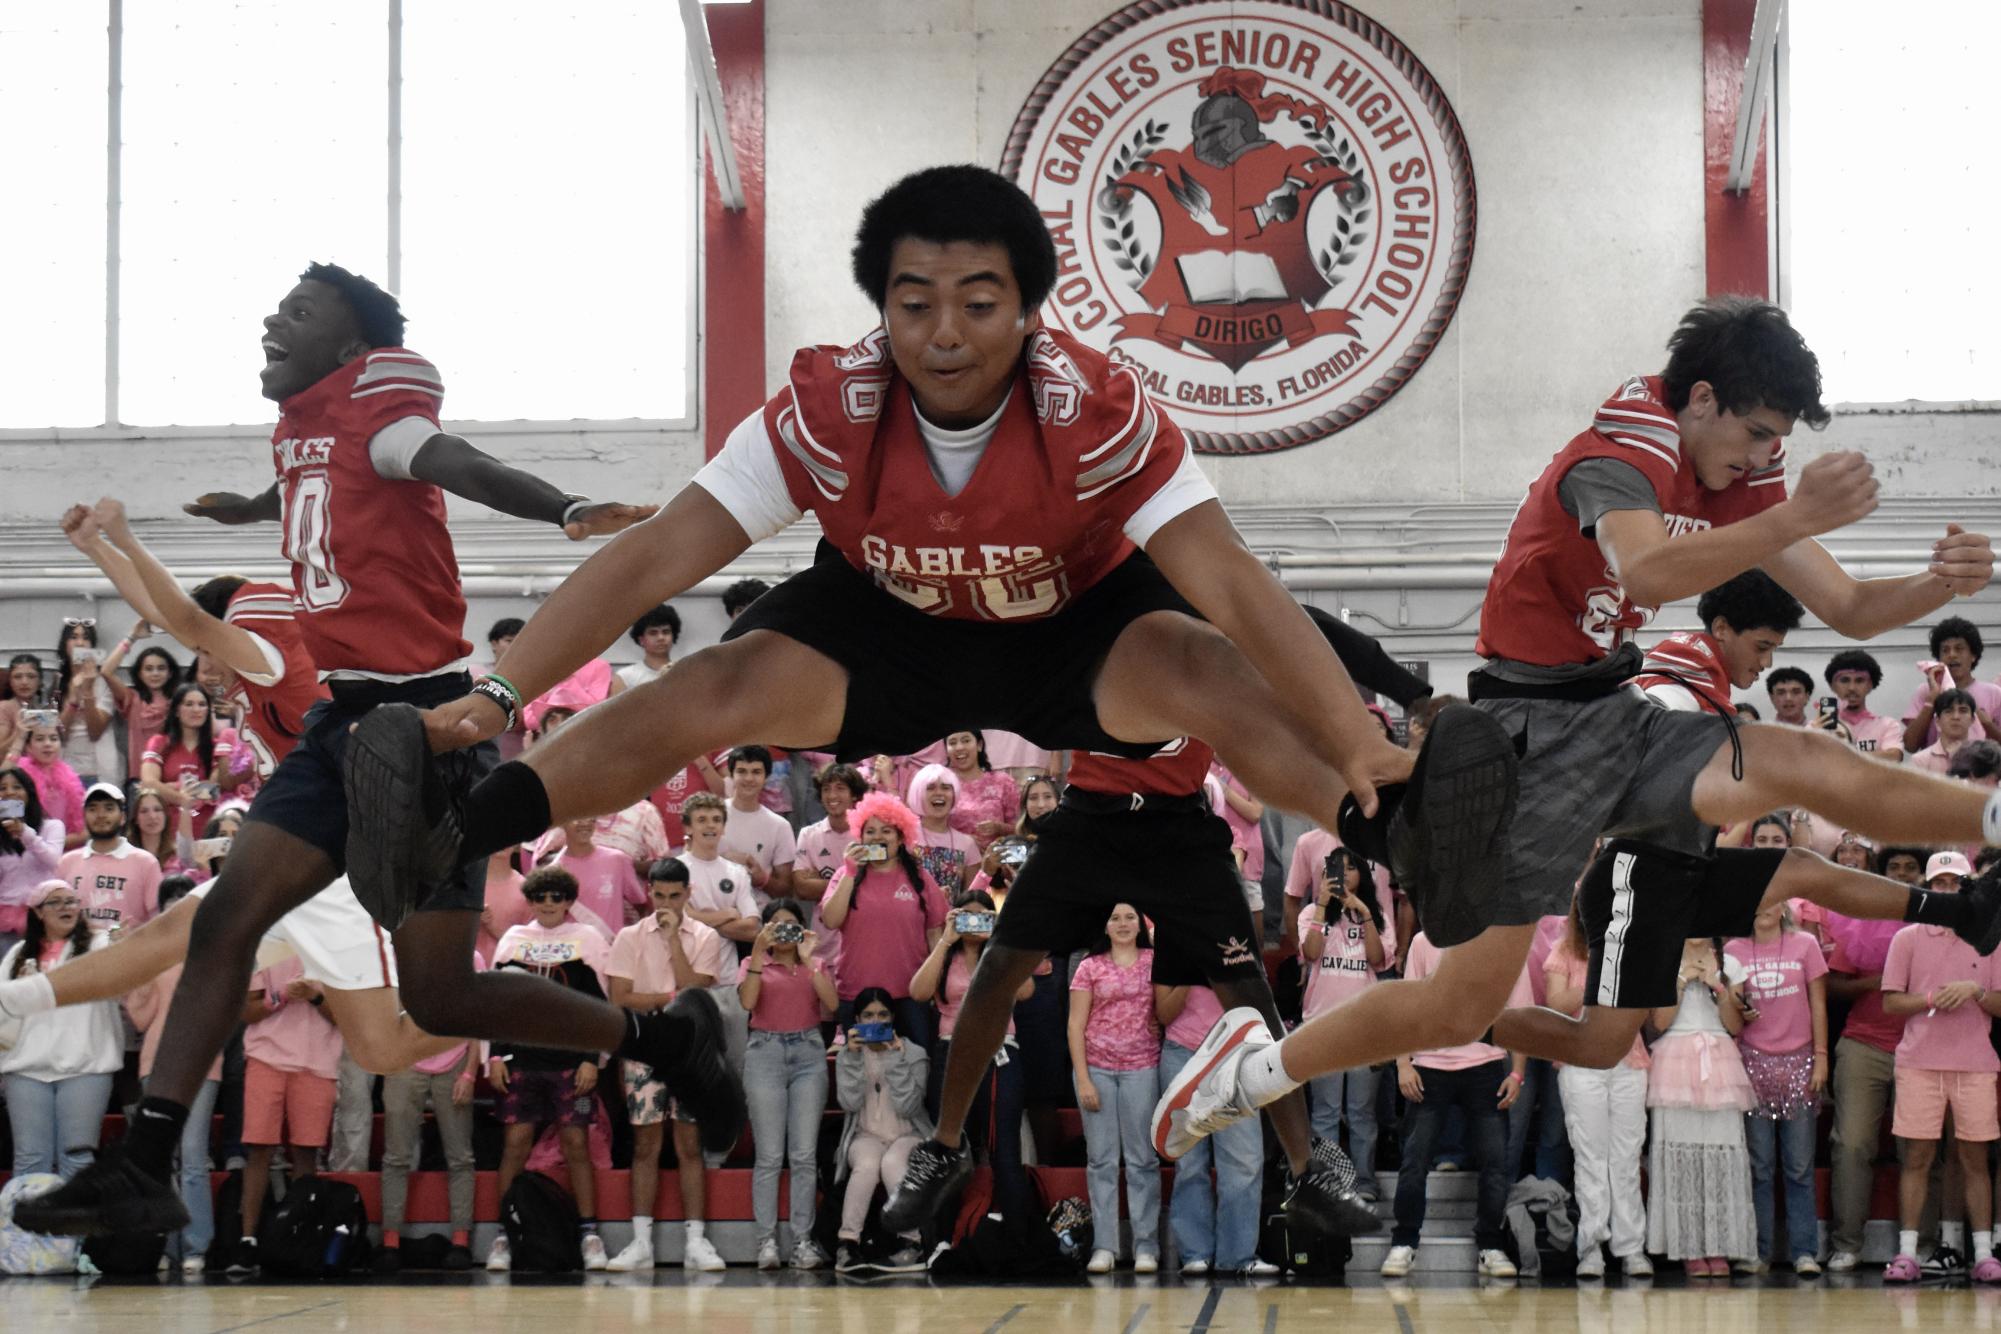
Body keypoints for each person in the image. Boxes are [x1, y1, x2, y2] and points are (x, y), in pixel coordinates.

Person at [342, 165, 1414, 1136]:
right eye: (914, 303)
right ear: (882, 308)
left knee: (1203, 662)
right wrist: (496, 691)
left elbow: (1234, 577)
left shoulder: (1098, 407)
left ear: (1030, 311)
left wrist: (1365, 746)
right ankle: (456, 828)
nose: (945, 331)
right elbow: (656, 554)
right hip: (887, 629)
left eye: (979, 303)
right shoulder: (822, 406)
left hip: (1070, 625)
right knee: (717, 679)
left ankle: (1392, 822)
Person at [1177, 299, 2001, 1165]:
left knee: (1794, 756)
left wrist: (1937, 584)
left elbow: (1852, 608)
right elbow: (1645, 564)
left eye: (1775, 441)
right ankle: (1259, 1068)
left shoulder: (1737, 474)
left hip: (1616, 709)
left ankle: (1986, 820)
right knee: (1454, 1012)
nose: (1765, 456)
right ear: (1702, 400)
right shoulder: (1615, 455)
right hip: (1523, 733)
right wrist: (1794, 516)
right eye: (1755, 433)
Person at [17, 263, 739, 1245]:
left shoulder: (385, 415)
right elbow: (301, 488)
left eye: (301, 311)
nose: (275, 318)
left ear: (354, 346)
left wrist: (566, 509)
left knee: (439, 995)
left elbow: (459, 462)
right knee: (227, 913)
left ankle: (660, 1034)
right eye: (276, 305)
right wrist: (242, 510)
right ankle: (145, 1160)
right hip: (342, 721)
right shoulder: (305, 429)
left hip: (428, 729)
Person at [886, 603, 1436, 1242]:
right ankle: (946, 1147)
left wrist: (1412, 693)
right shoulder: (1081, 608)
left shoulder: (1206, 609)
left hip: (1178, 827)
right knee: (997, 966)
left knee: (1252, 999)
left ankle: (1307, 1168)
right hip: (1091, 818)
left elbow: (1309, 628)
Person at [1377, 931, 1528, 1281]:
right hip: (1429, 1065)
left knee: (1495, 1161)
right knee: (1414, 1161)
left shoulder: (1504, 943)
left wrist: (1517, 1073)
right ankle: (1404, 1241)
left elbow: (1519, 1013)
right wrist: (1403, 1063)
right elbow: (1406, 1008)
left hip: (1486, 1065)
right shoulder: (1422, 941)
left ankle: (1491, 1245)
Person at [1880, 851, 2001, 1284]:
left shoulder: (1989, 937)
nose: (1948, 890)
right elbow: (1890, 1001)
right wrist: (1932, 998)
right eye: (1941, 882)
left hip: (1974, 1063)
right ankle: (1907, 1253)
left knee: (1974, 1158)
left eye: (1956, 883)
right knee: (1918, 1157)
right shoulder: (1907, 939)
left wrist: (1975, 992)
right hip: (1920, 1062)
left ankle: (1985, 1253)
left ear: (1968, 887)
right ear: (1928, 888)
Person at [605, 862, 730, 1273]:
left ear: (687, 894)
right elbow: (620, 997)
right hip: (643, 1051)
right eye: (659, 895)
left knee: (690, 1147)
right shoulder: (628, 936)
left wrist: (675, 940)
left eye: (674, 896)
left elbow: (695, 990)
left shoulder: (706, 937)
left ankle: (696, 1242)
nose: (666, 903)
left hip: (690, 1053)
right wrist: (668, 999)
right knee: (645, 1146)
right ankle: (641, 1243)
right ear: (649, 892)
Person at [487, 867, 614, 1272]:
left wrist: (591, 1059)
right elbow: (497, 1005)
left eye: (556, 898)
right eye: (541, 897)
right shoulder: (512, 942)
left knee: (577, 1145)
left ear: (569, 902)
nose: (548, 905)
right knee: (515, 1145)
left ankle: (589, 1234)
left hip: (569, 1064)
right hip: (522, 1062)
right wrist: (495, 1056)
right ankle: (504, 1235)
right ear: (531, 900)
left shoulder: (588, 941)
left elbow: (600, 1008)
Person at [908, 889, 1031, 1227]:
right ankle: (944, 1235)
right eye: (967, 916)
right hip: (953, 1051)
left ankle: (1014, 1232)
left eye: (983, 917)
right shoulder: (946, 955)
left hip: (1000, 1050)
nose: (974, 923)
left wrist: (998, 943)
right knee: (950, 1146)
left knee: (1004, 1147)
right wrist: (946, 941)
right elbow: (917, 992)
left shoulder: (1003, 952)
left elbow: (1025, 990)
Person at [1543, 894, 1650, 1280]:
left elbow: (1648, 1007)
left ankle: (1631, 1248)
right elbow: (1555, 1003)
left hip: (1629, 1060)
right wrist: (1598, 975)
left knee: (1626, 1156)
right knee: (1590, 1157)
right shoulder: (1563, 951)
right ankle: (1591, 1248)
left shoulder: (1635, 950)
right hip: (1580, 1063)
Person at [1725, 901, 1829, 1274]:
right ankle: (1759, 1251)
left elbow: (1819, 1005)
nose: (1764, 907)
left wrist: (1821, 1056)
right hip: (1752, 1063)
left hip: (1799, 1062)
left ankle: (1804, 1251)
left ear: (1784, 905)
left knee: (1799, 1166)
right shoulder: (1732, 950)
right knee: (1760, 1165)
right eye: (1757, 900)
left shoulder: (1805, 945)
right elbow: (1729, 1009)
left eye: (1772, 899)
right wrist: (1742, 1008)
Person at [1644, 937, 1757, 1277]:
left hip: (1720, 1058)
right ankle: (1688, 1247)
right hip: (1675, 1059)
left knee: (1721, 1153)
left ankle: (1721, 1245)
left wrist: (1717, 986)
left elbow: (1735, 1025)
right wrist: (1681, 981)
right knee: (1682, 1155)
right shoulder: (1661, 960)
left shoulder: (1731, 963)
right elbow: (1659, 1023)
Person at [121, 873, 217, 1273]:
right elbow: (140, 1017)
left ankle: (196, 1245)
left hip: (202, 1064)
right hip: (156, 1066)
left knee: (193, 1157)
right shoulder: (155, 955)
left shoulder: (216, 952)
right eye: (171, 902)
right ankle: (165, 1244)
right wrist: (138, 967)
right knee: (163, 1158)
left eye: (185, 900)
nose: (179, 908)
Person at [738, 898, 837, 1269]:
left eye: (790, 925)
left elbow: (832, 1005)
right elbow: (749, 1002)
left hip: (808, 1053)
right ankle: (766, 1241)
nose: (784, 933)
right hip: (764, 1052)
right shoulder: (752, 964)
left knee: (803, 1155)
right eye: (775, 926)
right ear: (765, 931)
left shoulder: (816, 963)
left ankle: (802, 1240)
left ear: (802, 930)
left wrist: (809, 961)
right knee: (768, 1156)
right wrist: (759, 954)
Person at [1154, 959, 1268, 1277]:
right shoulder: (1171, 941)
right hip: (1182, 1053)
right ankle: (1195, 1253)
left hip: (1236, 1053)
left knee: (1244, 1160)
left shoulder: (1234, 936)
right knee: (1190, 1162)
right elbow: (1164, 1013)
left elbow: (1255, 1001)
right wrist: (1195, 970)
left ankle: (1239, 1256)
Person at [232, 955, 343, 1273]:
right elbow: (247, 1010)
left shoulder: (332, 949)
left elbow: (345, 1017)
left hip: (317, 1062)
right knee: (258, 1148)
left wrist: (315, 996)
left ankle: (301, 1235)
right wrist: (280, 996)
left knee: (306, 1152)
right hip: (266, 1056)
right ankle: (247, 1241)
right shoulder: (267, 946)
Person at [374, 957, 485, 1275]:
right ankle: (390, 1242)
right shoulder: (397, 958)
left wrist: (469, 1073)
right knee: (396, 1155)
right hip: (405, 1062)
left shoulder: (469, 957)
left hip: (454, 1061)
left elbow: (477, 1019)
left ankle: (461, 1240)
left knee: (460, 1157)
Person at [1, 882, 119, 1182]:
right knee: (30, 1157)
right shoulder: (16, 954)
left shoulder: (99, 944)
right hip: (25, 1070)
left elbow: (119, 979)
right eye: (55, 903)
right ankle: (26, 1229)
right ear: (38, 912)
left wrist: (122, 940)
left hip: (86, 1067)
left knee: (77, 1157)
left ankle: (75, 1230)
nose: (66, 907)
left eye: (71, 901)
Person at [1068, 903, 1162, 1275]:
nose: (1122, 924)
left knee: (1143, 1161)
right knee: (1101, 1161)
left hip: (1143, 1067)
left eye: (1129, 918)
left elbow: (1167, 1007)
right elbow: (1075, 1025)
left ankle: (1146, 1247)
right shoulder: (1089, 966)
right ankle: (1104, 1246)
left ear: (1141, 924)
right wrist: (1083, 1077)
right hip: (1098, 1069)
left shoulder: (1155, 961)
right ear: (1104, 926)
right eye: (1114, 918)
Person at [820, 791, 947, 1049]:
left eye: (887, 830)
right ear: (860, 836)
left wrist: (937, 987)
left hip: (911, 994)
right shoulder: (845, 874)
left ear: (901, 838)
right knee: (861, 1074)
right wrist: (850, 873)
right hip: (857, 994)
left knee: (914, 1071)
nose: (878, 837)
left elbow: (935, 933)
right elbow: (830, 920)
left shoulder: (919, 877)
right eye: (870, 831)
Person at [1296, 846, 1386, 1201]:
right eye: (1335, 869)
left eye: (1351, 868)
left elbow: (1379, 960)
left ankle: (1364, 1183)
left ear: (1362, 875)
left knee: (1362, 1114)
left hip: (1364, 1027)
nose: (1343, 875)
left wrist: (1363, 914)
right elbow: (1312, 952)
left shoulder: (1373, 916)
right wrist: (1321, 904)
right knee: (1326, 1113)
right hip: (1322, 1026)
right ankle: (1330, 1185)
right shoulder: (1309, 914)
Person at [833, 988, 931, 1274]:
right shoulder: (848, 1055)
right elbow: (848, 1102)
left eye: (882, 1015)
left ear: (893, 1018)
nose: (875, 1022)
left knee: (892, 1163)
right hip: (865, 1135)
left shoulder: (913, 1053)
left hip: (908, 1133)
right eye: (868, 1015)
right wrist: (851, 1059)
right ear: (857, 1020)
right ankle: (847, 1243)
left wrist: (894, 1059)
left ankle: (912, 1243)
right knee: (866, 1165)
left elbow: (910, 1107)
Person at [792, 762, 870, 989]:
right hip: (823, 942)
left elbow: (875, 885)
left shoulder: (869, 834)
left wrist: (822, 882)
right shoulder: (808, 834)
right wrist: (852, 880)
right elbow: (801, 888)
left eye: (840, 788)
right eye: (826, 789)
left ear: (855, 795)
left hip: (862, 940)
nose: (831, 795)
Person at [55, 783, 162, 937]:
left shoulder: (145, 862)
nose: (101, 815)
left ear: (123, 817)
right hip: (77, 954)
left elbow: (158, 919)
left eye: (109, 808)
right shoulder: (66, 862)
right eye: (93, 809)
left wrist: (131, 935)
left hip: (126, 954)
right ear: (84, 817)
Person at [140, 684, 231, 837]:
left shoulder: (217, 746)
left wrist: (170, 787)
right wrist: (183, 798)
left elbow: (213, 790)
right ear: (176, 710)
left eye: (202, 704)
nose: (196, 710)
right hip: (168, 830)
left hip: (206, 829)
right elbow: (148, 783)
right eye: (189, 704)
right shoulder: (159, 742)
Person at [94, 623, 180, 784]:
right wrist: (131, 637)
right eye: (148, 669)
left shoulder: (179, 701)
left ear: (170, 673)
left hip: (173, 778)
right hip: (139, 780)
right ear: (139, 673)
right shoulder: (132, 699)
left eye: (161, 668)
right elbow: (106, 671)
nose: (155, 673)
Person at [1904, 616, 2001, 752]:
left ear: (1973, 655)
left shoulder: (1995, 693)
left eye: (1959, 649)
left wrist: (1986, 723)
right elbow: (1910, 746)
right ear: (1938, 658)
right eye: (1945, 650)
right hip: (1934, 771)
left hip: (1980, 771)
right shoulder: (1925, 691)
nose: (1952, 655)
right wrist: (1931, 701)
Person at [717, 746, 796, 905]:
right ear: (731, 775)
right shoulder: (711, 817)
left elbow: (786, 888)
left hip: (760, 916)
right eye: (742, 771)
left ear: (766, 776)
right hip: (713, 912)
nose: (748, 778)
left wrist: (761, 879)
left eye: (756, 772)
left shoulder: (780, 826)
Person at [550, 814, 648, 937]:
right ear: (561, 823)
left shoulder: (617, 860)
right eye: (577, 818)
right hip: (572, 950)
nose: (585, 823)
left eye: (590, 817)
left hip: (610, 948)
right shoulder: (553, 871)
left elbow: (639, 903)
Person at [0, 767, 66, 946]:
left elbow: (53, 860)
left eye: (16, 787)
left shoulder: (52, 827)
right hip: (5, 924)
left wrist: (24, 833)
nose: (10, 793)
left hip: (43, 917)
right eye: (3, 788)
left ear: (29, 792)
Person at [51, 621, 118, 787]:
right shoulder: (58, 683)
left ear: (92, 645)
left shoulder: (105, 682)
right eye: (73, 637)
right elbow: (58, 732)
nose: (80, 643)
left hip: (98, 771)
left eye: (85, 638)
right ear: (64, 644)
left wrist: (87, 690)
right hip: (65, 770)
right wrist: (73, 698)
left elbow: (95, 731)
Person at [940, 729, 1020, 852]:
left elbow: (1021, 829)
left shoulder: (1003, 782)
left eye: (966, 740)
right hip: (954, 862)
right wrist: (962, 841)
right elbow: (930, 829)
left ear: (979, 745)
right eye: (952, 743)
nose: (959, 747)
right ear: (946, 750)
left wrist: (1000, 828)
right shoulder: (941, 785)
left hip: (998, 862)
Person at [908, 763, 980, 897]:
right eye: (930, 788)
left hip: (952, 917)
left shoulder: (967, 844)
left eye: (945, 788)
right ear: (918, 795)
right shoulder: (904, 837)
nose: (939, 793)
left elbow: (971, 899)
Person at [1824, 649, 1904, 761]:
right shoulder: (1818, 727)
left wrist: (1843, 757)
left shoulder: (1887, 725)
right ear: (1832, 685)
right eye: (1844, 680)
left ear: (1870, 685)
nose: (1852, 688)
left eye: (1859, 680)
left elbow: (1893, 757)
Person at [19, 721, 86, 852]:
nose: (47, 744)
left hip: (64, 857)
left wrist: (54, 845)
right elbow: (8, 815)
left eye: (54, 738)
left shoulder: (71, 778)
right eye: (39, 739)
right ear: (28, 746)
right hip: (26, 855)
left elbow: (85, 832)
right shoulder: (19, 778)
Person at [610, 604, 681, 696]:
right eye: (653, 633)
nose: (661, 637)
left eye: (666, 632)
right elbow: (616, 710)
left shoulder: (684, 672)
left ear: (673, 636)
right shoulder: (625, 677)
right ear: (641, 640)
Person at [1912, 689, 1979, 775]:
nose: (1956, 717)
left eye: (1963, 711)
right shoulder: (1920, 761)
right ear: (1937, 721)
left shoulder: (1985, 759)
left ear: (1972, 720)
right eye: (1948, 711)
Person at [0, 654, 48, 764]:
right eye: (17, 677)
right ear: (10, 681)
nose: (24, 682)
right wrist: (18, 733)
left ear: (40, 681)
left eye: (31, 676)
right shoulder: (4, 708)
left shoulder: (45, 709)